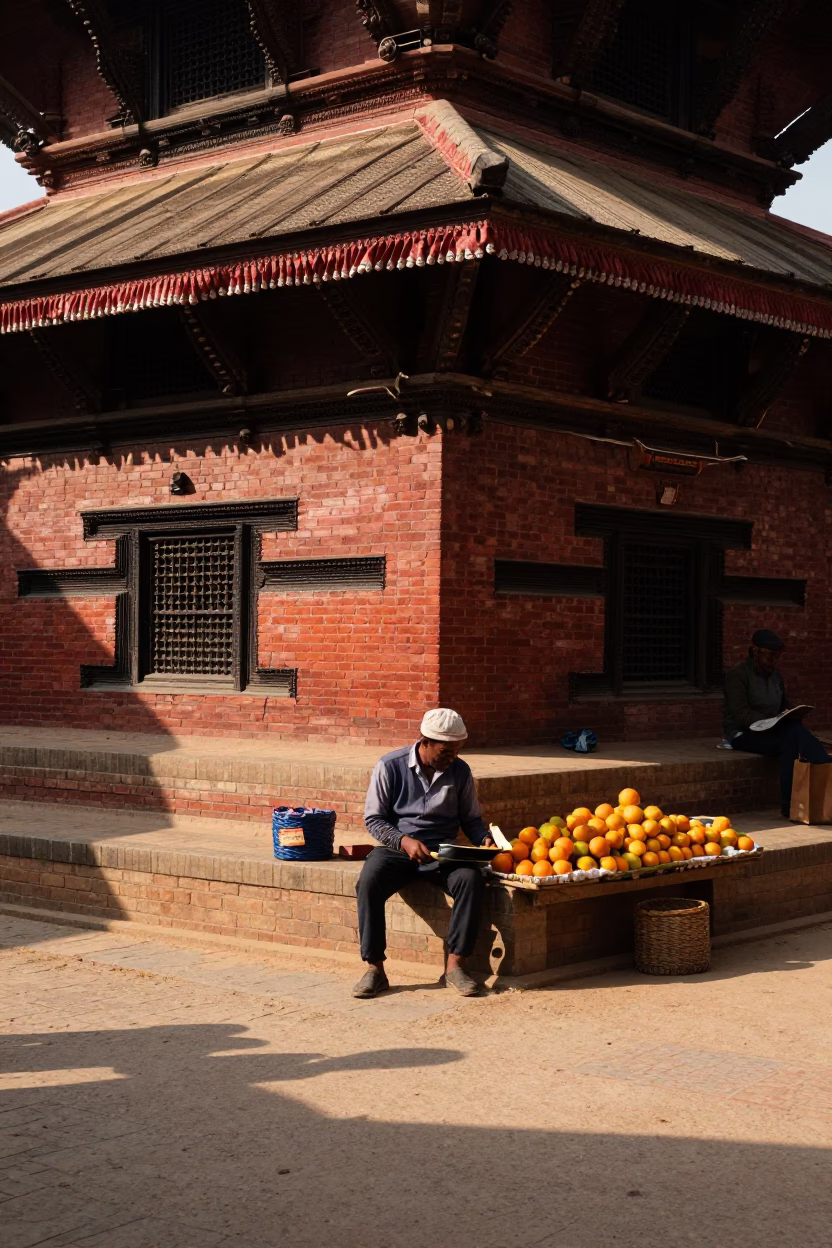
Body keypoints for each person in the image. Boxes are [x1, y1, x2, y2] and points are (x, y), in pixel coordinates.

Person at [353, 708, 494, 1000]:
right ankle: (374, 968)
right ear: (425, 741)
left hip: (444, 852)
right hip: (398, 848)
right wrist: (403, 841)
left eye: (456, 751)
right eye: (445, 751)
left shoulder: (460, 771)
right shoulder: (389, 766)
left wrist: (485, 839)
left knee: (471, 879)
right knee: (369, 880)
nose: (451, 757)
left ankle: (455, 966)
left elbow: (470, 819)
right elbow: (374, 819)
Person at [724, 628, 830, 817]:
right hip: (744, 733)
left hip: (773, 730)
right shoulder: (738, 676)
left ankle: (791, 804)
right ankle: (824, 764)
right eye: (770, 656)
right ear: (756, 652)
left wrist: (793, 712)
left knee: (792, 734)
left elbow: (783, 704)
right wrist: (772, 721)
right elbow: (740, 715)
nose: (773, 661)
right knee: (791, 737)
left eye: (777, 657)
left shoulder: (775, 676)